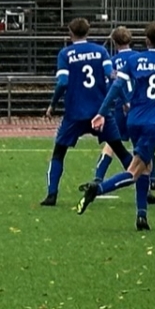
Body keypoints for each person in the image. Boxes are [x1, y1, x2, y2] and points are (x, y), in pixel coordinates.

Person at [78, 22, 155, 231]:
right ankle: (98, 189)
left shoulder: (134, 61)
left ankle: (141, 216)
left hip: (133, 119)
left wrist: (101, 112)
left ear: (146, 41)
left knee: (145, 167)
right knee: (134, 171)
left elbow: (116, 87)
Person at [42, 17, 114, 206]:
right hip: (99, 111)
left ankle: (51, 194)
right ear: (88, 31)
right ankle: (142, 187)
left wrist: (53, 104)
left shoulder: (65, 54)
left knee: (59, 151)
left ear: (70, 33)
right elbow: (111, 75)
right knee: (119, 149)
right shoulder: (101, 51)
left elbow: (63, 82)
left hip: (75, 112)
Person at [92, 26, 138, 184]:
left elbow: (110, 85)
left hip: (120, 106)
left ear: (114, 41)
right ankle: (151, 178)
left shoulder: (111, 62)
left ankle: (99, 176)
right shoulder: (139, 58)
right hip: (138, 105)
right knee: (142, 143)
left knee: (111, 142)